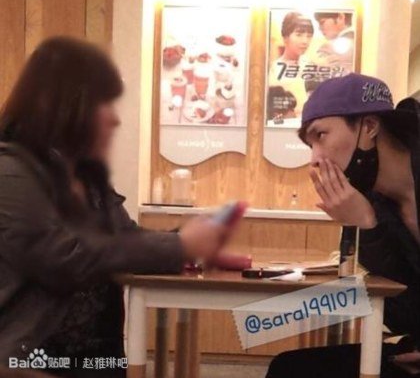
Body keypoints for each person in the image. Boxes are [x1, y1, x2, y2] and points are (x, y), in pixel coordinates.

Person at [0, 37, 236, 377]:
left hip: (99, 356)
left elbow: (126, 238)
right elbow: (63, 258)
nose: (115, 120)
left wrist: (189, 241)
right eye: (104, 105)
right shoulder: (10, 169)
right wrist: (180, 245)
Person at [266, 73, 420, 378]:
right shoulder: (370, 203)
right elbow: (402, 314)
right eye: (309, 144)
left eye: (320, 135)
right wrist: (366, 225)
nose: (314, 159)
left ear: (369, 126)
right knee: (290, 369)